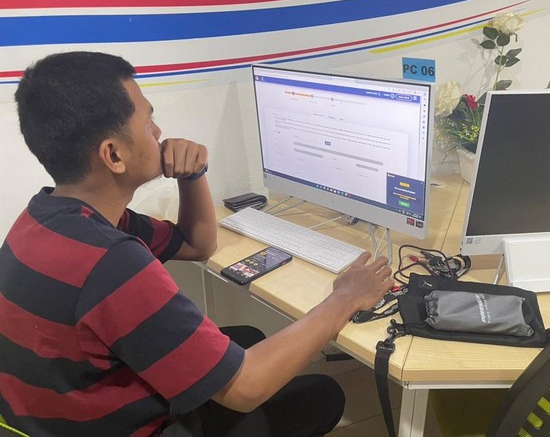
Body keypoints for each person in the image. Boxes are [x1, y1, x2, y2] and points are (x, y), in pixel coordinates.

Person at [0, 51, 394, 437]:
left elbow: (196, 245)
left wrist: (193, 174)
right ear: (114, 155)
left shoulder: (46, 216)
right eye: (148, 122)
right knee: (321, 395)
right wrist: (344, 298)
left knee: (248, 338)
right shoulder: (113, 263)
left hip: (48, 418)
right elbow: (245, 389)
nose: (159, 132)